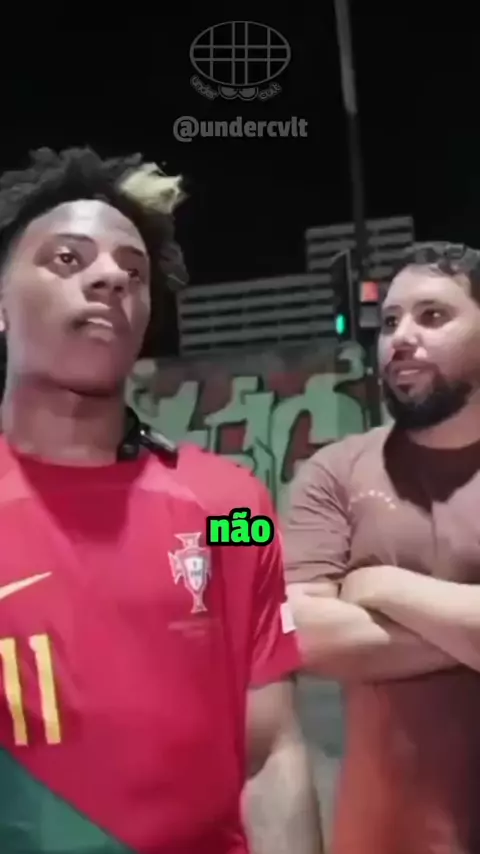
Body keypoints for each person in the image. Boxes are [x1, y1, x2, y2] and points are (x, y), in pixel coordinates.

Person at [0, 147, 322, 854]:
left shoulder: (234, 512)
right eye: (66, 258)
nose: (111, 276)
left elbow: (271, 753)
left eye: (134, 271)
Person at [284, 242, 480, 854]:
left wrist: (379, 586)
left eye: (432, 316)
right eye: (390, 321)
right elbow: (301, 634)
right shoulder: (336, 472)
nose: (400, 338)